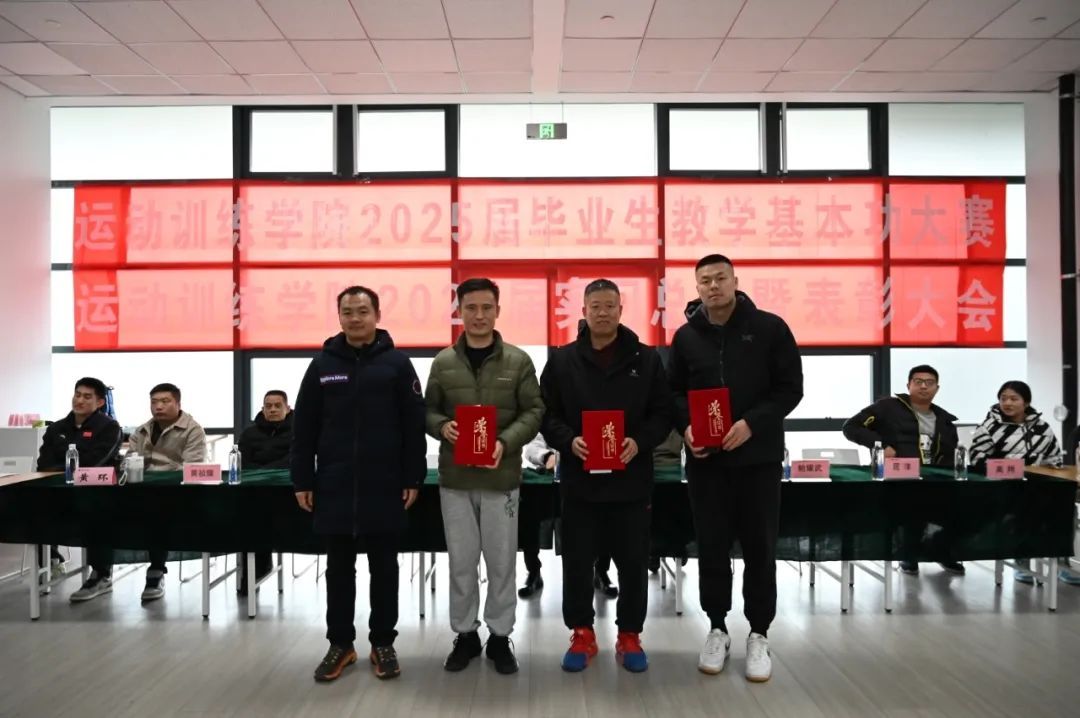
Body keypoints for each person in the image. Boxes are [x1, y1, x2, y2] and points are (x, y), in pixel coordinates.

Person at [668, 255, 803, 683]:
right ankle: (717, 628)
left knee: (760, 548)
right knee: (711, 546)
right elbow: (672, 393)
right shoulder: (686, 337)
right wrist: (686, 428)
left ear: (735, 281)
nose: (713, 286)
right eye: (705, 281)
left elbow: (790, 389)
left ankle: (759, 633)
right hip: (707, 463)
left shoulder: (770, 328)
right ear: (697, 287)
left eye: (720, 278)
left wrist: (751, 425)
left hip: (758, 460)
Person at [291, 286, 426, 683]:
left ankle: (383, 642)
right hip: (334, 484)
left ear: (377, 315)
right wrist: (302, 479)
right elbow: (304, 428)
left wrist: (413, 476)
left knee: (385, 569)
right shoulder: (322, 365)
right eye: (347, 312)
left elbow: (413, 426)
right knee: (338, 570)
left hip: (385, 484)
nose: (355, 318)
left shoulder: (398, 364)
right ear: (339, 317)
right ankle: (340, 644)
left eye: (362, 311)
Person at [540, 278, 673, 674]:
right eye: (595, 306)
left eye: (609, 306)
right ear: (583, 312)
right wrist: (569, 441)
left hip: (631, 481)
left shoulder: (646, 359)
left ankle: (629, 634)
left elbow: (663, 413)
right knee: (577, 562)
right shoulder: (562, 360)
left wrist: (639, 441)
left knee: (633, 562)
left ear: (620, 310)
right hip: (580, 481)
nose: (602, 313)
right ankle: (582, 633)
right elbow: (546, 414)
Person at [425, 278, 544, 675]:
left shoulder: (518, 361)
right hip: (455, 480)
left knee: (501, 562)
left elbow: (534, 411)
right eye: (471, 308)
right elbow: (427, 411)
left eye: (486, 308)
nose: (479, 315)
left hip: (501, 478)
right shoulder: (443, 362)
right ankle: (465, 634)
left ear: (497, 310)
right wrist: (441, 426)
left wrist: (505, 443)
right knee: (461, 563)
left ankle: (499, 636)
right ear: (458, 311)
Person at [78, 383, 206, 604]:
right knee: (99, 509)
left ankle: (156, 571)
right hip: (140, 491)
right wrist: (131, 467)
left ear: (178, 403)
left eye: (165, 401)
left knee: (157, 512)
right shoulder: (142, 430)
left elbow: (191, 467)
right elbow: (130, 461)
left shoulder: (193, 430)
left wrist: (154, 477)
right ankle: (101, 573)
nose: (158, 406)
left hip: (176, 495)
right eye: (154, 402)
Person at [843, 365, 962, 576]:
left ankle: (940, 548)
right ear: (908, 385)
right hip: (897, 479)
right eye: (918, 381)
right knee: (913, 501)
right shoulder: (888, 408)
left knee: (970, 505)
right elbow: (851, 427)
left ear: (937, 388)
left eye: (929, 383)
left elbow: (950, 452)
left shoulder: (944, 419)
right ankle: (909, 553)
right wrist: (881, 445)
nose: (923, 386)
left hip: (934, 481)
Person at [969, 381, 1079, 586]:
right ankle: (1022, 560)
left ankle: (1061, 561)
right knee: (1025, 506)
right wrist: (1017, 467)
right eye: (1003, 398)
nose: (1007, 403)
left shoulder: (1042, 428)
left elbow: (1054, 459)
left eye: (1014, 398)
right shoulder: (988, 428)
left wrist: (1047, 468)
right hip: (1003, 489)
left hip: (1038, 487)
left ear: (1026, 402)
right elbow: (977, 462)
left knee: (1067, 508)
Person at [36, 378, 122, 602]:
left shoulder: (109, 427)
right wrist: (69, 466)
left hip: (96, 496)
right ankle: (52, 560)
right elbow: (43, 464)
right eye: (77, 394)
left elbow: (95, 462)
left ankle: (101, 575)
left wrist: (64, 466)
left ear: (100, 402)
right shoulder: (56, 428)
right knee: (32, 508)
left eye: (87, 396)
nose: (79, 400)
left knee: (97, 513)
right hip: (60, 494)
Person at [519, 433, 620, 601]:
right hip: (547, 473)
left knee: (602, 516)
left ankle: (601, 571)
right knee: (530, 513)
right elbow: (532, 445)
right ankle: (533, 571)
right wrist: (546, 456)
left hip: (587, 471)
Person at [235, 389, 293, 595]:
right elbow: (242, 460)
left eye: (278, 406)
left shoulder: (299, 430)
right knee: (247, 519)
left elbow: (293, 460)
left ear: (288, 408)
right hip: (255, 491)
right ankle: (253, 571)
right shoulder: (249, 433)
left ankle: (261, 566)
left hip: (288, 493)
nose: (273, 410)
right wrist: (261, 475)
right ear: (262, 408)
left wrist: (265, 472)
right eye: (268, 406)